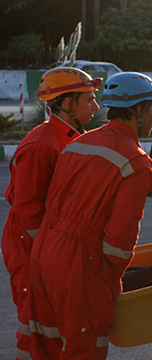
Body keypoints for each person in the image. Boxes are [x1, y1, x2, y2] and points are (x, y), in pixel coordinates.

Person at [28, 72, 152, 360]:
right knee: (83, 349)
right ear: (137, 110)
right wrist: (107, 283)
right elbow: (120, 240)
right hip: (81, 265)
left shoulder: (79, 142)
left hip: (43, 253)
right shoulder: (137, 163)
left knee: (44, 346)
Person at [2, 67, 101, 360]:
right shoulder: (41, 144)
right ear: (67, 103)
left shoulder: (70, 137)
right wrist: (52, 252)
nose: (95, 107)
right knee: (35, 327)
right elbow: (29, 209)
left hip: (49, 242)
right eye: (89, 100)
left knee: (54, 323)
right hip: (29, 244)